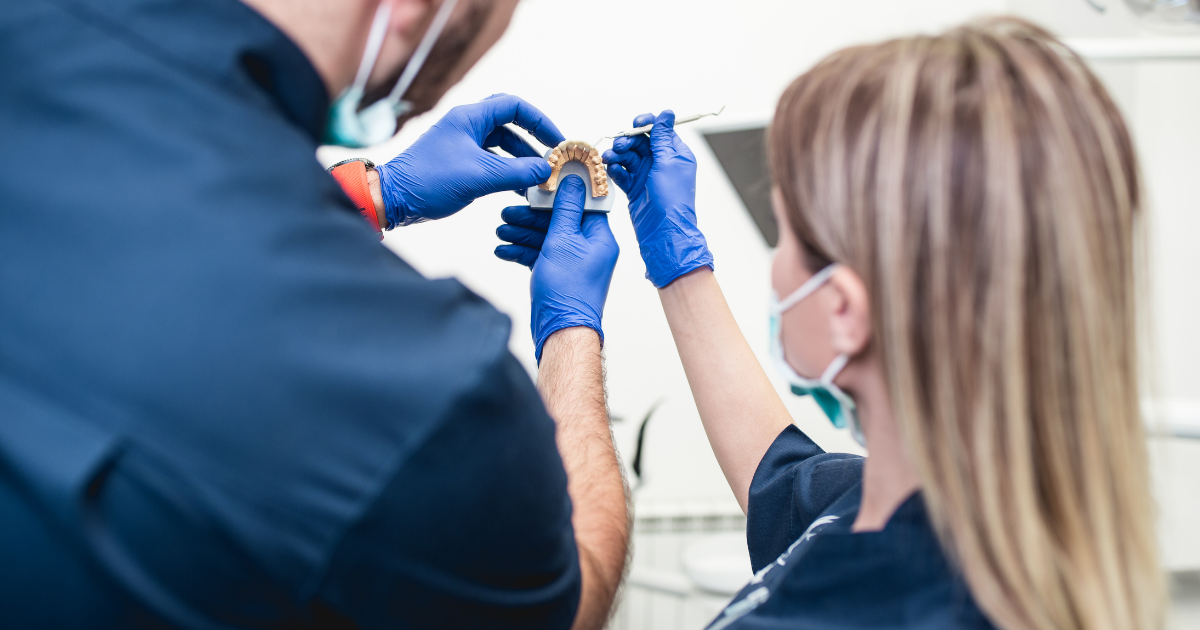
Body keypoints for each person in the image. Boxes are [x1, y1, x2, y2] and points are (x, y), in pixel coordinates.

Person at [500, 17, 1165, 630]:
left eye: (783, 232)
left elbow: (560, 609)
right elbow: (776, 476)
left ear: (843, 307)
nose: (777, 265)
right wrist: (676, 262)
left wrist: (569, 329)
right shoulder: (926, 518)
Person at [0, 0, 627, 628]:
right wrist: (571, 322)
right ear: (414, 11)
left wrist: (375, 193)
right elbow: (569, 598)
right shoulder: (427, 392)